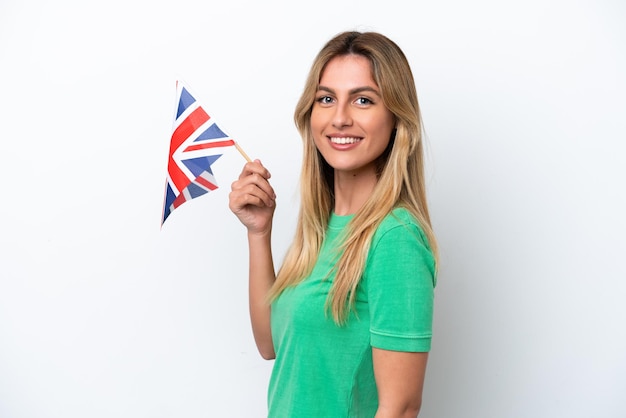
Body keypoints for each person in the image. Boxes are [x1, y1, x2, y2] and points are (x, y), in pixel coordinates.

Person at [229, 30, 438, 418]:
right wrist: (259, 233)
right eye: (326, 99)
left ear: (396, 118)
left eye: (363, 100)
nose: (340, 118)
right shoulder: (321, 229)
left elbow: (401, 408)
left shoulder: (395, 238)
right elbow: (272, 344)